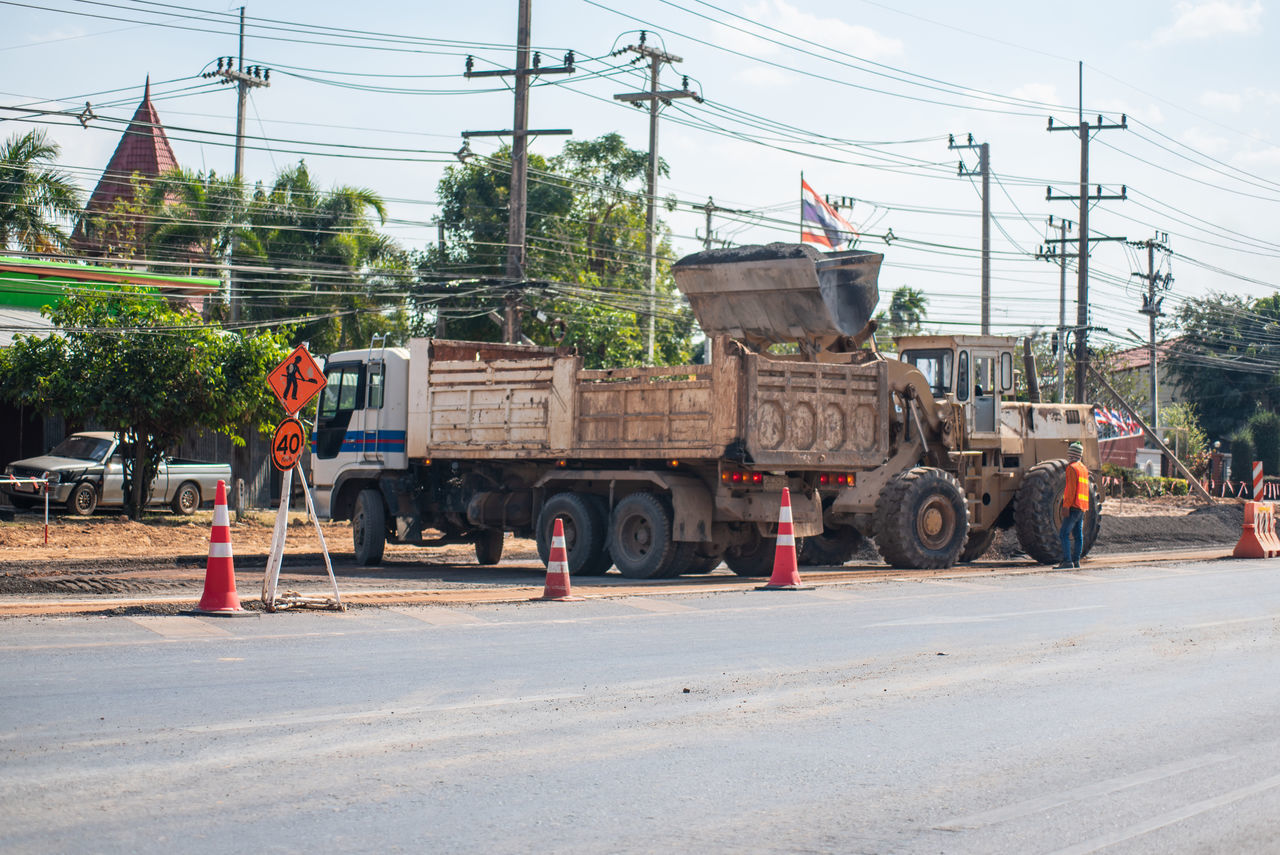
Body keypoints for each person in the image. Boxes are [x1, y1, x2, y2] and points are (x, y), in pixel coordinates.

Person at [1057, 441, 1090, 568]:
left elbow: (1070, 490)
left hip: (1073, 506)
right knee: (1078, 535)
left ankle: (1067, 561)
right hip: (1082, 506)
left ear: (1071, 455)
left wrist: (1066, 506)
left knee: (1064, 534)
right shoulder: (1083, 468)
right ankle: (1076, 561)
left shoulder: (1071, 468)